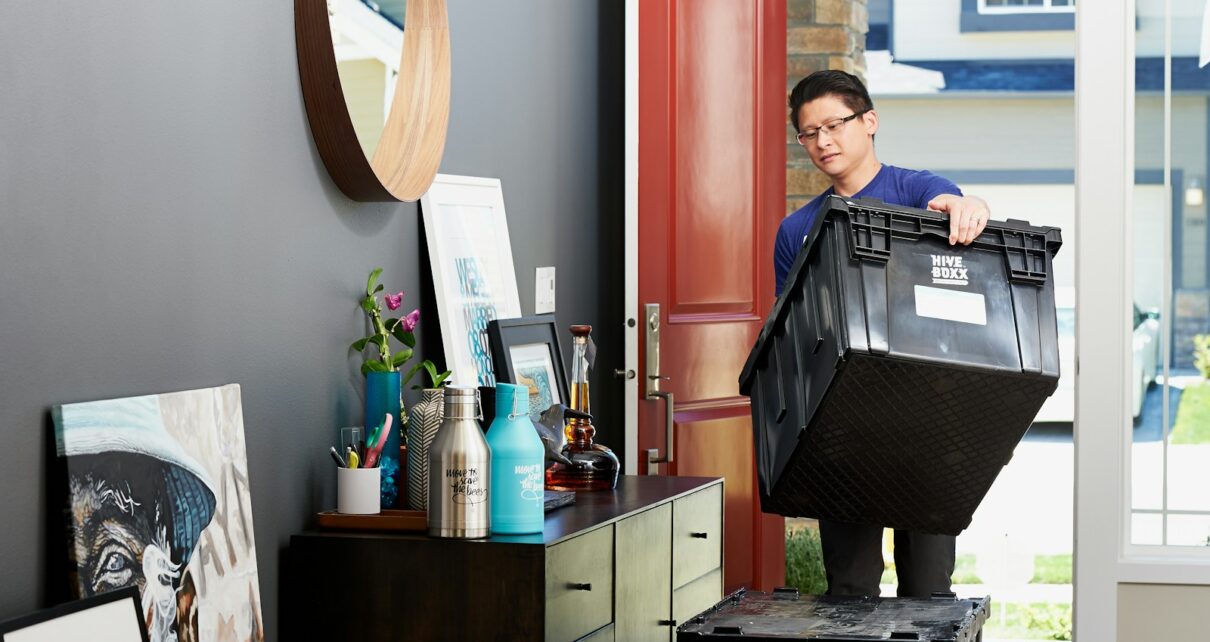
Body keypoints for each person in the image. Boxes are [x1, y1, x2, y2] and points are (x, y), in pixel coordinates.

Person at [775, 70, 991, 598]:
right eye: (809, 133)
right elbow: (790, 335)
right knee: (849, 588)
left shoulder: (914, 190)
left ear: (869, 121)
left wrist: (968, 207)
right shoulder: (796, 229)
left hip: (930, 424)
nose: (823, 141)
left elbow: (952, 202)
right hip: (843, 429)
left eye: (834, 124)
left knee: (929, 587)